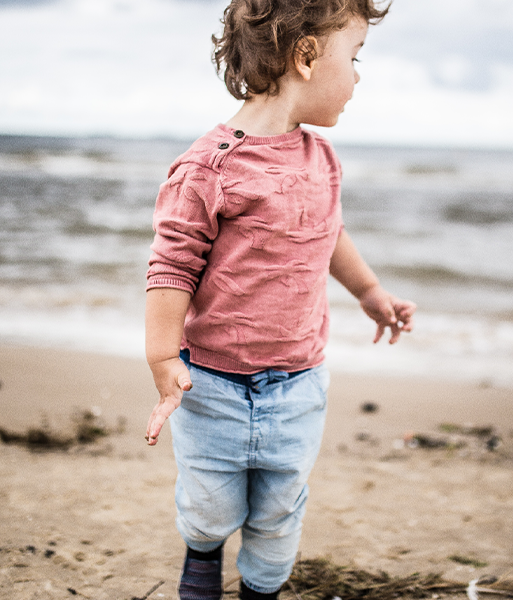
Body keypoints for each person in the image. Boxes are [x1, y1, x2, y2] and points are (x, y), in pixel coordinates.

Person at [143, 1, 414, 600]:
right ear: (308, 56)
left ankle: (261, 590)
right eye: (356, 56)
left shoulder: (321, 158)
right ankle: (203, 550)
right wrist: (163, 358)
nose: (360, 75)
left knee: (279, 508)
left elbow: (328, 231)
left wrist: (368, 290)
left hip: (298, 384)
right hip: (209, 385)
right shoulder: (208, 168)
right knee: (209, 503)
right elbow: (172, 263)